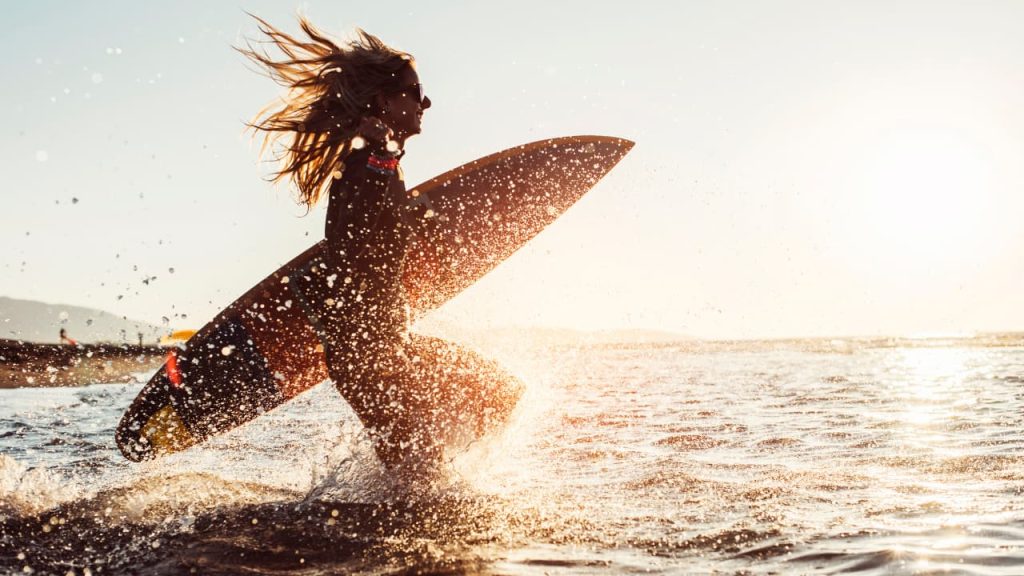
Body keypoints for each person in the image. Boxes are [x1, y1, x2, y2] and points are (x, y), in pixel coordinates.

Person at [240, 17, 521, 471]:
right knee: (418, 473)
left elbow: (363, 238)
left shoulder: (379, 164)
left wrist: (386, 162)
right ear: (383, 100)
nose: (425, 101)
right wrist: (377, 155)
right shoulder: (368, 166)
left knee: (498, 395)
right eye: (414, 91)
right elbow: (351, 245)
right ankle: (380, 515)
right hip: (369, 353)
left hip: (387, 344)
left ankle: (398, 502)